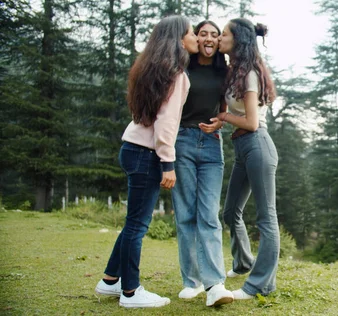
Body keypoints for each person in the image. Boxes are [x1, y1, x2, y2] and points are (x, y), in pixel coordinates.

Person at [94, 15, 198, 308]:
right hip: (147, 154)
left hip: (132, 148)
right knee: (138, 225)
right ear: (180, 38)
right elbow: (167, 123)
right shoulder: (177, 74)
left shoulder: (151, 68)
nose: (194, 37)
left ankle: (110, 281)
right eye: (191, 32)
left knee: (132, 223)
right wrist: (168, 162)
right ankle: (131, 293)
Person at [215, 18, 279, 300]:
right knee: (230, 212)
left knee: (267, 218)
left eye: (224, 34)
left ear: (237, 39)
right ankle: (243, 263)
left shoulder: (250, 73)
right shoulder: (234, 71)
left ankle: (259, 286)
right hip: (243, 148)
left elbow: (252, 122)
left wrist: (222, 117)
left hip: (257, 145)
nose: (219, 38)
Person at [171, 20, 234, 307]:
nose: (208, 39)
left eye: (214, 35)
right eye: (203, 34)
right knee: (186, 214)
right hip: (181, 141)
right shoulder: (182, 67)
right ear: (196, 38)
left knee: (208, 214)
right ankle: (191, 280)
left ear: (219, 40)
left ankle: (215, 284)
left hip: (211, 146)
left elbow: (225, 108)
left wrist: (219, 123)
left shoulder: (225, 71)